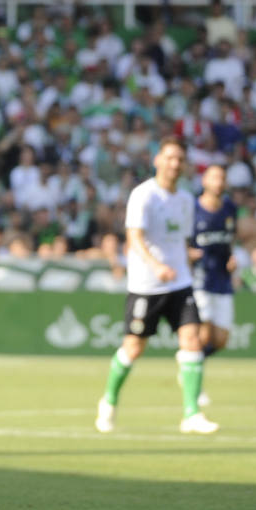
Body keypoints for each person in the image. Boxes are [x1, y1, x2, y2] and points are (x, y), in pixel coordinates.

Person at [95, 137, 219, 434]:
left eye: (179, 159)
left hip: (180, 283)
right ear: (157, 160)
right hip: (146, 285)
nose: (175, 164)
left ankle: (191, 414)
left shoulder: (187, 199)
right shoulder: (144, 195)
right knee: (134, 347)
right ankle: (109, 400)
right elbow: (134, 237)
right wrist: (155, 265)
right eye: (170, 158)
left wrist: (189, 257)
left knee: (192, 340)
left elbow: (181, 240)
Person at [188, 163, 238, 407]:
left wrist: (232, 259)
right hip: (200, 279)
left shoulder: (230, 208)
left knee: (221, 340)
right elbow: (183, 242)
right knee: (203, 334)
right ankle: (194, 385)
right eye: (214, 177)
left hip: (223, 280)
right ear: (205, 181)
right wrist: (188, 254)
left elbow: (230, 240)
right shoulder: (193, 209)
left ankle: (189, 364)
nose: (218, 182)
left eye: (222, 177)